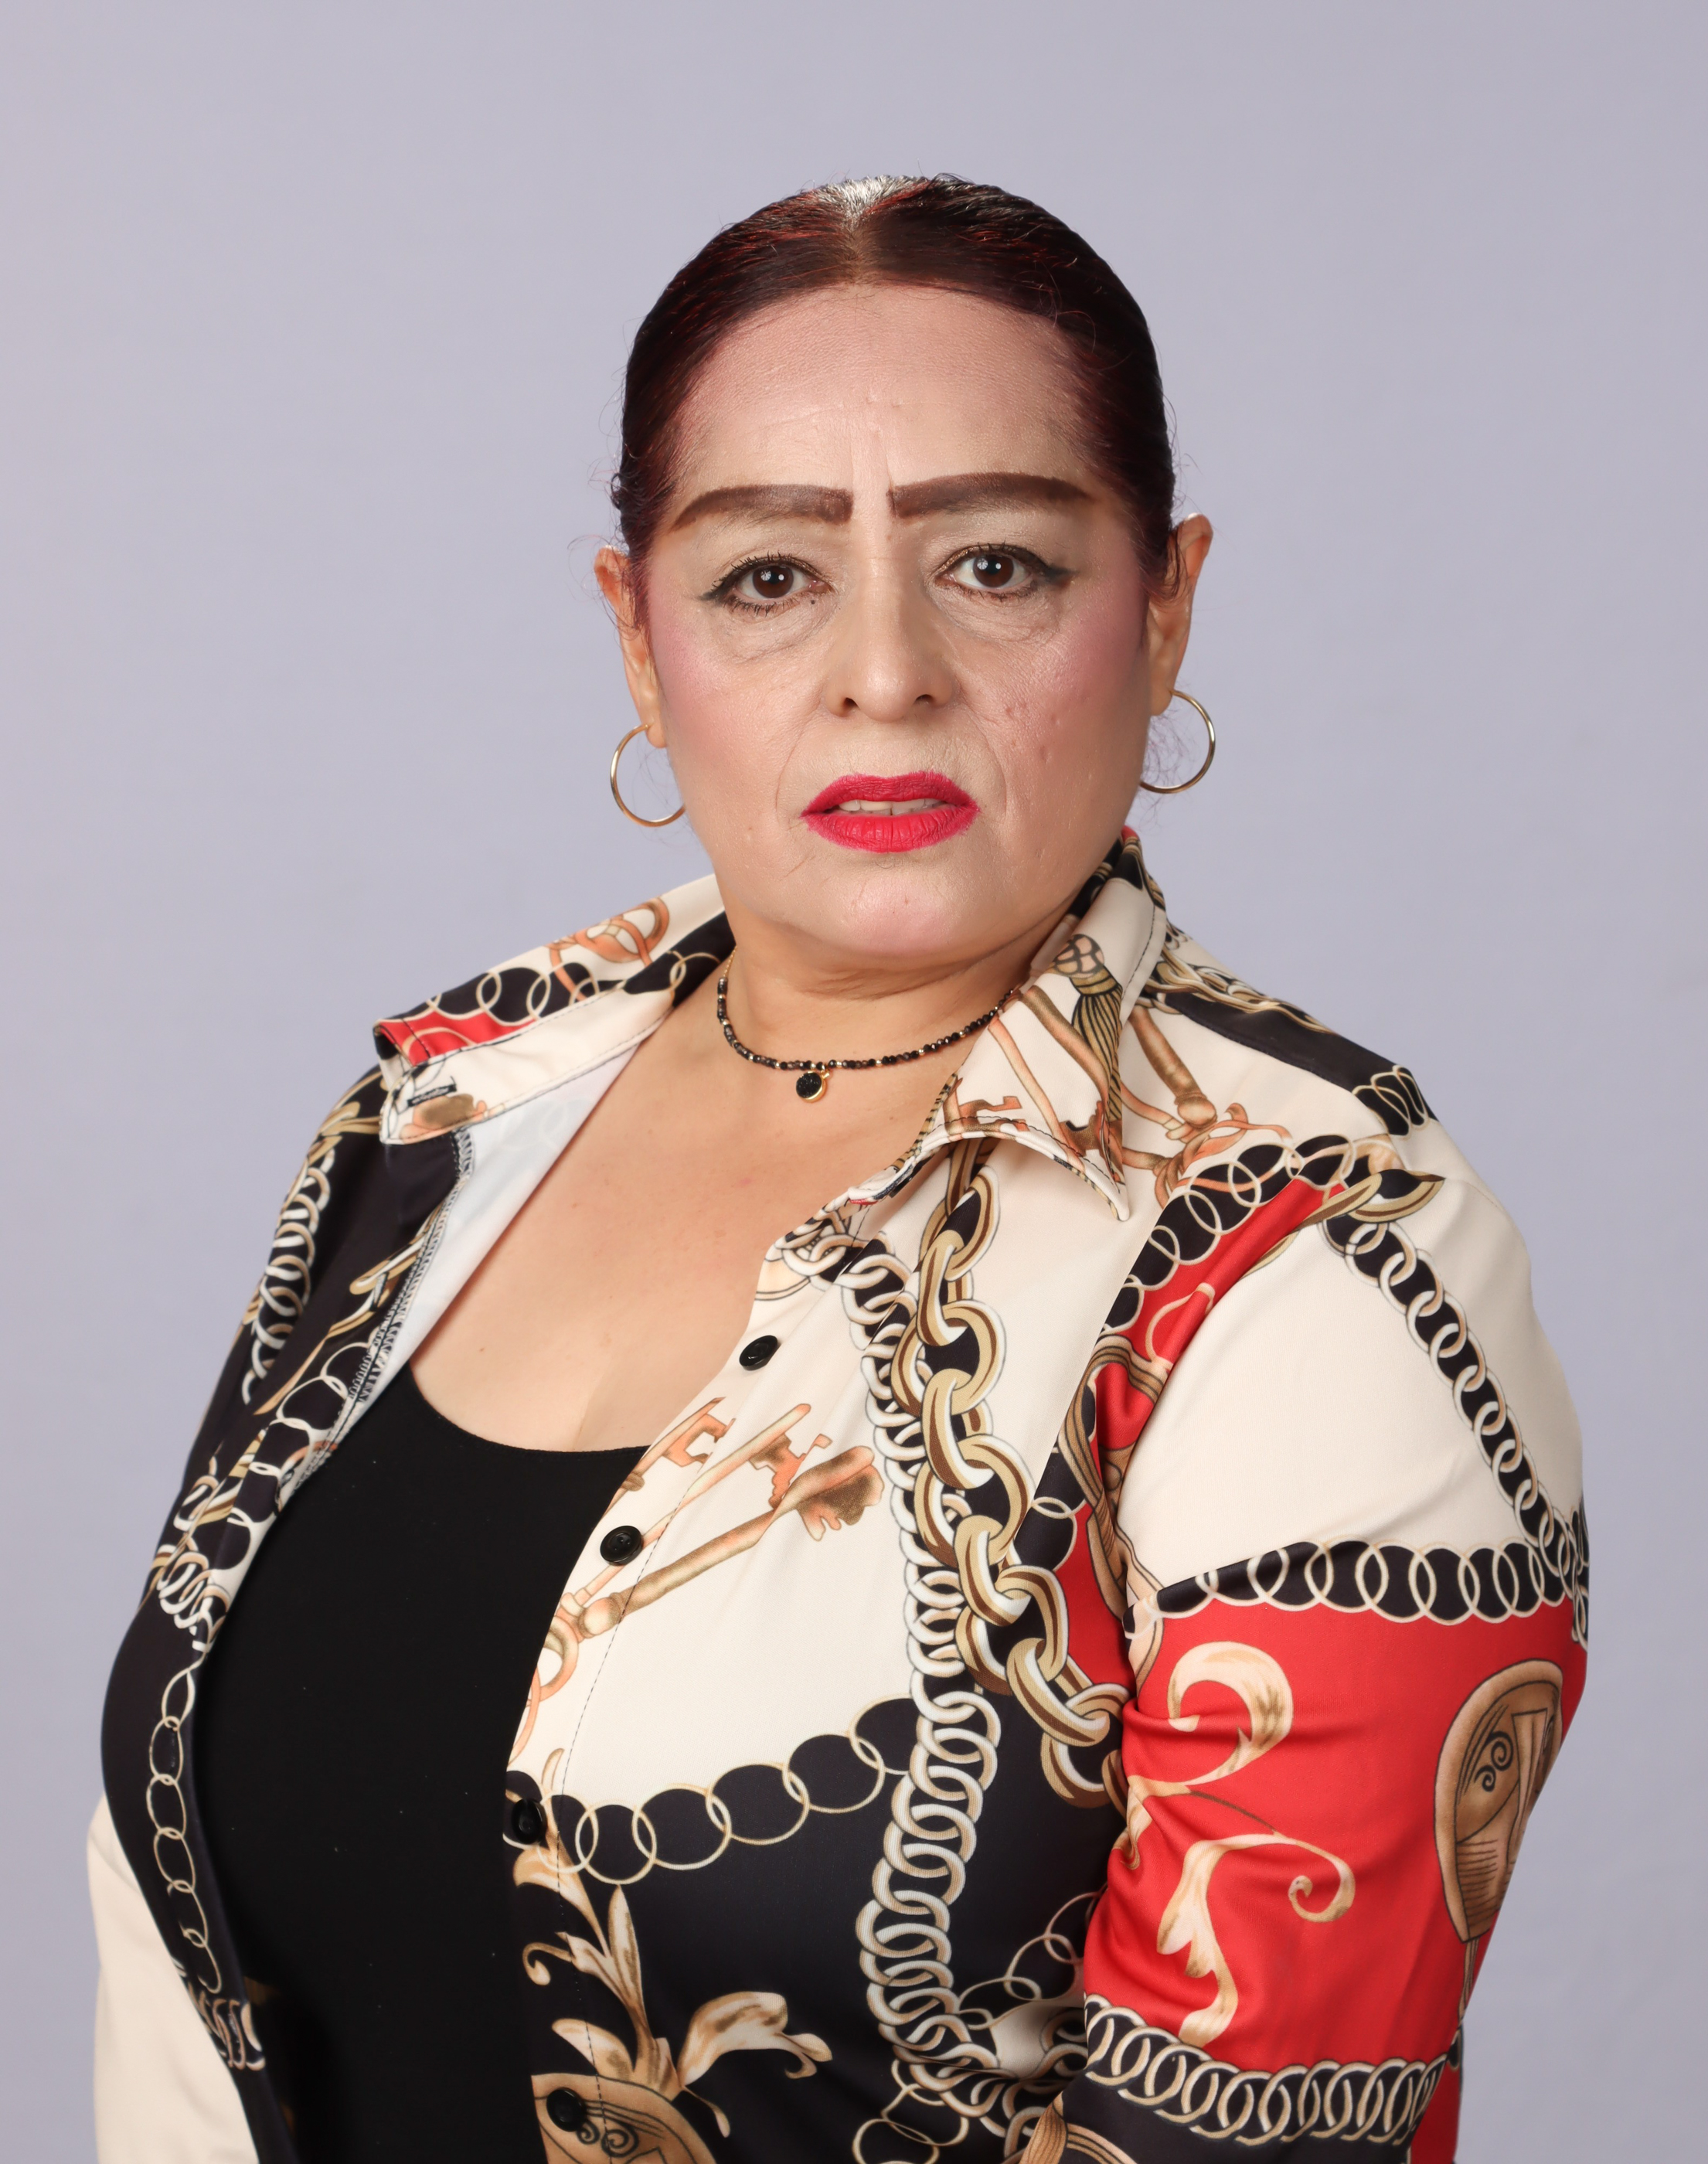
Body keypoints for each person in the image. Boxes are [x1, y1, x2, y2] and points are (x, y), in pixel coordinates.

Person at [91, 175, 1585, 2164]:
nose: (885, 669)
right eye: (769, 576)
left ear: (1165, 604)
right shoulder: (447, 1109)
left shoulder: (1319, 1244)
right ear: (638, 637)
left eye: (995, 563)